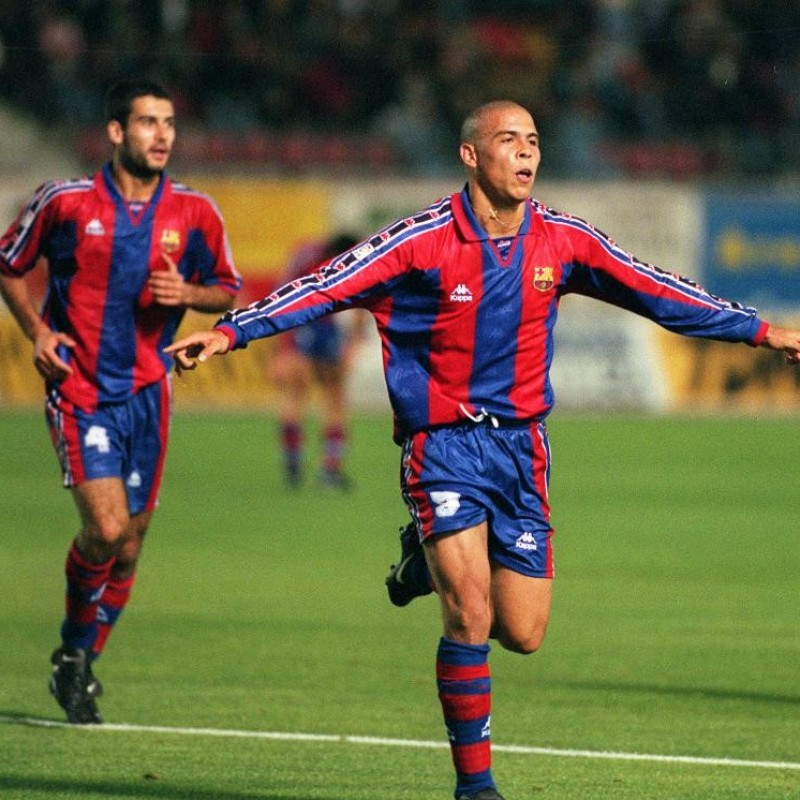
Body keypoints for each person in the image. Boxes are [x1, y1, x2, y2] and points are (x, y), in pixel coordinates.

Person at [165, 100, 800, 800]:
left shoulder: (563, 239)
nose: (526, 154)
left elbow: (654, 288)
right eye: (508, 141)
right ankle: (476, 788)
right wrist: (231, 332)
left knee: (522, 632)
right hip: (442, 445)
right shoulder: (420, 239)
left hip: (522, 450)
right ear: (471, 155)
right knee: (468, 614)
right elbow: (324, 285)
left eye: (533, 141)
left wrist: (758, 330)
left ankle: (421, 560)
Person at [0, 78, 242, 725]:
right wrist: (39, 332)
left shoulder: (194, 212)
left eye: (169, 122)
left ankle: (77, 659)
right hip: (79, 387)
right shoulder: (66, 202)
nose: (162, 134)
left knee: (129, 545)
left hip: (148, 392)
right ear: (115, 132)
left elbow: (227, 291)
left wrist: (188, 293)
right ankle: (76, 653)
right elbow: (7, 262)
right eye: (147, 123)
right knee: (106, 529)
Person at [270, 232, 363, 489]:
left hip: (307, 327)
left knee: (300, 396)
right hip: (318, 327)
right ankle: (327, 469)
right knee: (331, 398)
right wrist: (353, 340)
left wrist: (283, 345)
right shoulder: (323, 257)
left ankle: (295, 463)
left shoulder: (306, 254)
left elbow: (281, 294)